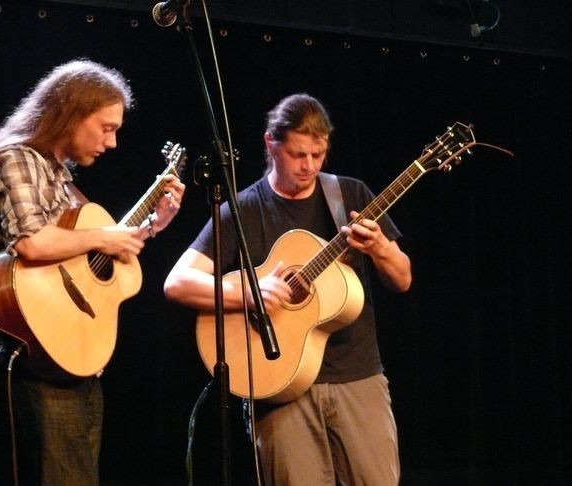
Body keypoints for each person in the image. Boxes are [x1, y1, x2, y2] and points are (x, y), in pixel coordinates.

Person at [0, 59, 185, 485]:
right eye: (106, 127)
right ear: (71, 114)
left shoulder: (61, 179)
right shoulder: (16, 160)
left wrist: (152, 226)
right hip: (31, 356)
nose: (112, 142)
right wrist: (103, 238)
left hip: (71, 357)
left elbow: (80, 263)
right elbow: (32, 242)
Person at [164, 93, 411, 485]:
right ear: (270, 144)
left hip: (358, 378)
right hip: (279, 387)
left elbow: (402, 279)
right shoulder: (242, 211)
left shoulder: (349, 196)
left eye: (318, 154)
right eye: (298, 154)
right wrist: (249, 292)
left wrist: (381, 247)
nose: (309, 166)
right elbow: (177, 283)